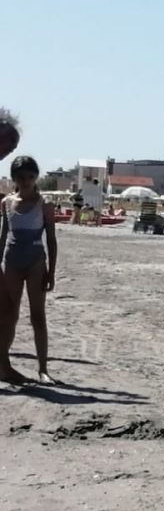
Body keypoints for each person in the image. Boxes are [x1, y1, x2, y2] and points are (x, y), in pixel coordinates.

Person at [0, 155, 58, 384]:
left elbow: (51, 239)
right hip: (11, 263)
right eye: (21, 177)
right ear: (14, 178)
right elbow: (4, 236)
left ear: (36, 178)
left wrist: (51, 271)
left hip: (35, 264)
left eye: (31, 177)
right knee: (8, 315)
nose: (26, 181)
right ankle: (4, 366)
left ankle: (43, 370)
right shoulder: (7, 203)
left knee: (38, 316)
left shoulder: (45, 204)